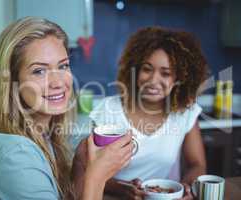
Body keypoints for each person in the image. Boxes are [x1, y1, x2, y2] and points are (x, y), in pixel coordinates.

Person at [0, 17, 134, 200]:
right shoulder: (16, 157)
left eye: (63, 66)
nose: (58, 82)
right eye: (39, 71)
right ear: (12, 81)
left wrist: (80, 167)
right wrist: (97, 177)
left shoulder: (42, 135)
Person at [82, 27, 208, 200]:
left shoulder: (185, 112)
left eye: (166, 73)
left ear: (179, 78)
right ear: (134, 70)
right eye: (147, 69)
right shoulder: (108, 111)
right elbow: (88, 170)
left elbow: (197, 164)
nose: (153, 80)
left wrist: (186, 188)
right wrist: (122, 189)